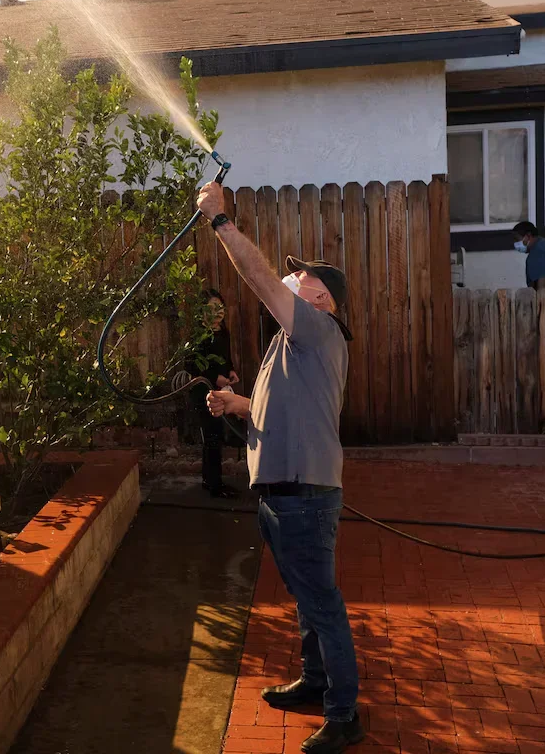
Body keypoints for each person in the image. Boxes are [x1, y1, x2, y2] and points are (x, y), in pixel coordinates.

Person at [196, 181, 362, 753]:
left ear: (322, 299)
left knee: (322, 602)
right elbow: (277, 409)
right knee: (306, 597)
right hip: (280, 496)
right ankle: (316, 684)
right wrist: (238, 405)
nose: (291, 277)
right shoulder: (290, 347)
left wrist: (221, 222)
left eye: (303, 277)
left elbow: (259, 279)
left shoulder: (318, 329)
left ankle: (344, 715)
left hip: (304, 498)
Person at [188, 289, 239, 498]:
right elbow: (191, 364)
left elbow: (225, 359)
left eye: (220, 307)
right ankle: (214, 485)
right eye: (211, 308)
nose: (217, 312)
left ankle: (210, 480)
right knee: (211, 437)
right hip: (203, 393)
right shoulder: (199, 336)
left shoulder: (223, 333)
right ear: (201, 312)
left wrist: (230, 371)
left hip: (219, 391)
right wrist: (214, 376)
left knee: (217, 436)